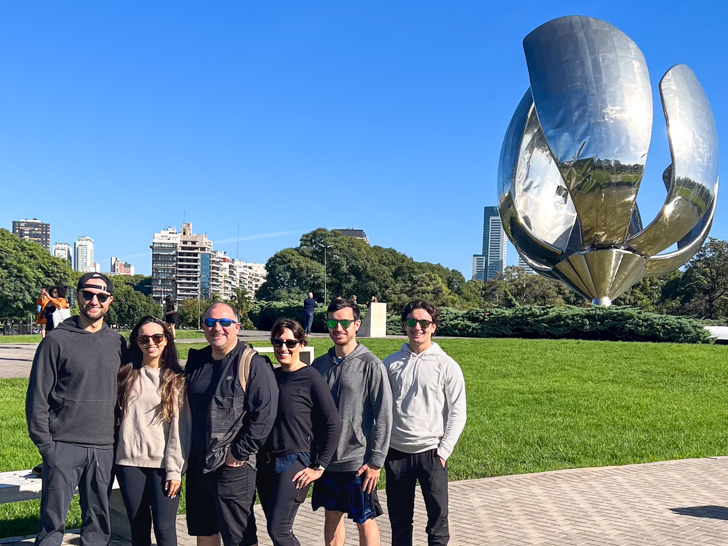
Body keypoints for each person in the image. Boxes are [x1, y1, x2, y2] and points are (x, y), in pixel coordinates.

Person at [26, 273, 127, 546]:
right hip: (63, 445)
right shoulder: (56, 341)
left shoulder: (118, 343)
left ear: (109, 301)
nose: (94, 300)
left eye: (101, 296)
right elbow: (37, 396)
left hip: (105, 448)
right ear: (78, 297)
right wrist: (47, 447)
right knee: (51, 525)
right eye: (88, 294)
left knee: (97, 525)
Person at [185, 302, 278, 546]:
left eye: (224, 322)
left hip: (233, 467)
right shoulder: (197, 361)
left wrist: (238, 452)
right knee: (204, 531)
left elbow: (265, 415)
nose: (217, 328)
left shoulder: (252, 363)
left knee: (238, 537)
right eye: (211, 322)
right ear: (203, 327)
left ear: (236, 327)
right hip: (198, 464)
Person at [383, 300, 467, 546]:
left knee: (438, 526)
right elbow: (381, 410)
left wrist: (443, 453)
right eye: (411, 322)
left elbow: (458, 412)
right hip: (397, 454)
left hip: (432, 455)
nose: (417, 327)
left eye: (424, 323)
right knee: (399, 523)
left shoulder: (447, 365)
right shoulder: (390, 364)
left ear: (434, 327)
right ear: (404, 325)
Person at [311, 299, 392, 546]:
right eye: (333, 322)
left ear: (356, 324)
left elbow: (384, 416)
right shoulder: (319, 366)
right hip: (326, 461)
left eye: (345, 322)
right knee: (331, 515)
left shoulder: (371, 365)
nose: (339, 328)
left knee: (364, 519)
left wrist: (376, 462)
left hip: (358, 461)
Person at [257, 319, 341, 546]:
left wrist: (319, 466)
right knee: (274, 528)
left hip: (294, 461)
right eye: (278, 342)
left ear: (301, 345)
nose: (283, 348)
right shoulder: (271, 377)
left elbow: (333, 423)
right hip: (265, 464)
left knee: (279, 530)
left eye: (290, 343)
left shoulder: (311, 377)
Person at [116, 316, 191, 546]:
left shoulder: (176, 379)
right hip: (129, 463)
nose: (151, 342)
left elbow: (180, 430)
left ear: (166, 340)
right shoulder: (125, 376)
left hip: (163, 466)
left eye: (157, 337)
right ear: (136, 342)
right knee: (138, 527)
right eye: (144, 338)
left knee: (164, 529)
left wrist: (174, 470)